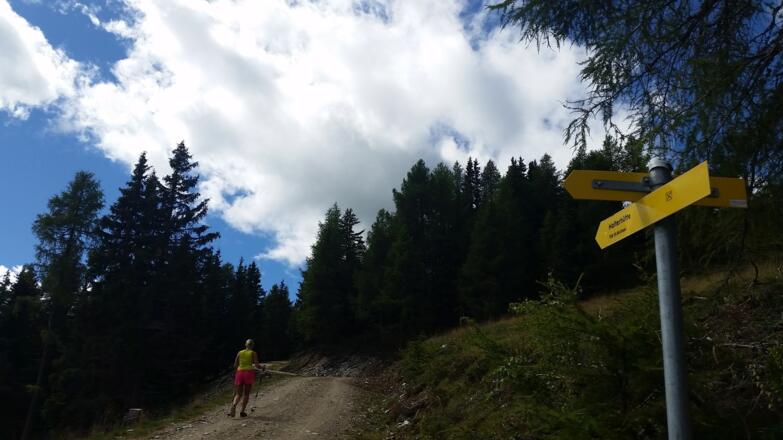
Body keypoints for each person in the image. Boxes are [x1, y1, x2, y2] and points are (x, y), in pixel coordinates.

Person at [228, 339, 261, 417]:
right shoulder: (253, 353)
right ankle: (242, 412)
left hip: (239, 373)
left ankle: (234, 405)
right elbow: (256, 365)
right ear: (252, 345)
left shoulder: (240, 352)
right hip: (248, 373)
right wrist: (262, 367)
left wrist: (240, 368)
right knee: (246, 394)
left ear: (245, 345)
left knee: (238, 394)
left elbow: (235, 365)